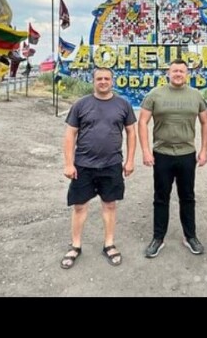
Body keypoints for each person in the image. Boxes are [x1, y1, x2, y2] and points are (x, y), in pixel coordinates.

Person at [60, 67, 136, 269]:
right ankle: (75, 245)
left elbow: (131, 133)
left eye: (107, 78)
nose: (103, 81)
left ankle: (109, 244)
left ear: (113, 81)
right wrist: (68, 164)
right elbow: (70, 135)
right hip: (83, 165)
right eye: (99, 78)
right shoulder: (81, 105)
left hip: (111, 165)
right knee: (79, 206)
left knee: (110, 205)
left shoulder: (123, 104)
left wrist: (129, 160)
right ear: (93, 80)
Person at [138, 58, 207, 258]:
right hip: (162, 154)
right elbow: (142, 121)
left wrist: (204, 150)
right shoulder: (155, 94)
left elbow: (205, 122)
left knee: (187, 197)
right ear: (168, 73)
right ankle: (158, 238)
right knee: (161, 197)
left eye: (181, 71)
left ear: (187, 74)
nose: (178, 74)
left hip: (187, 154)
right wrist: (145, 150)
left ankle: (190, 236)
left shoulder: (196, 95)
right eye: (175, 71)